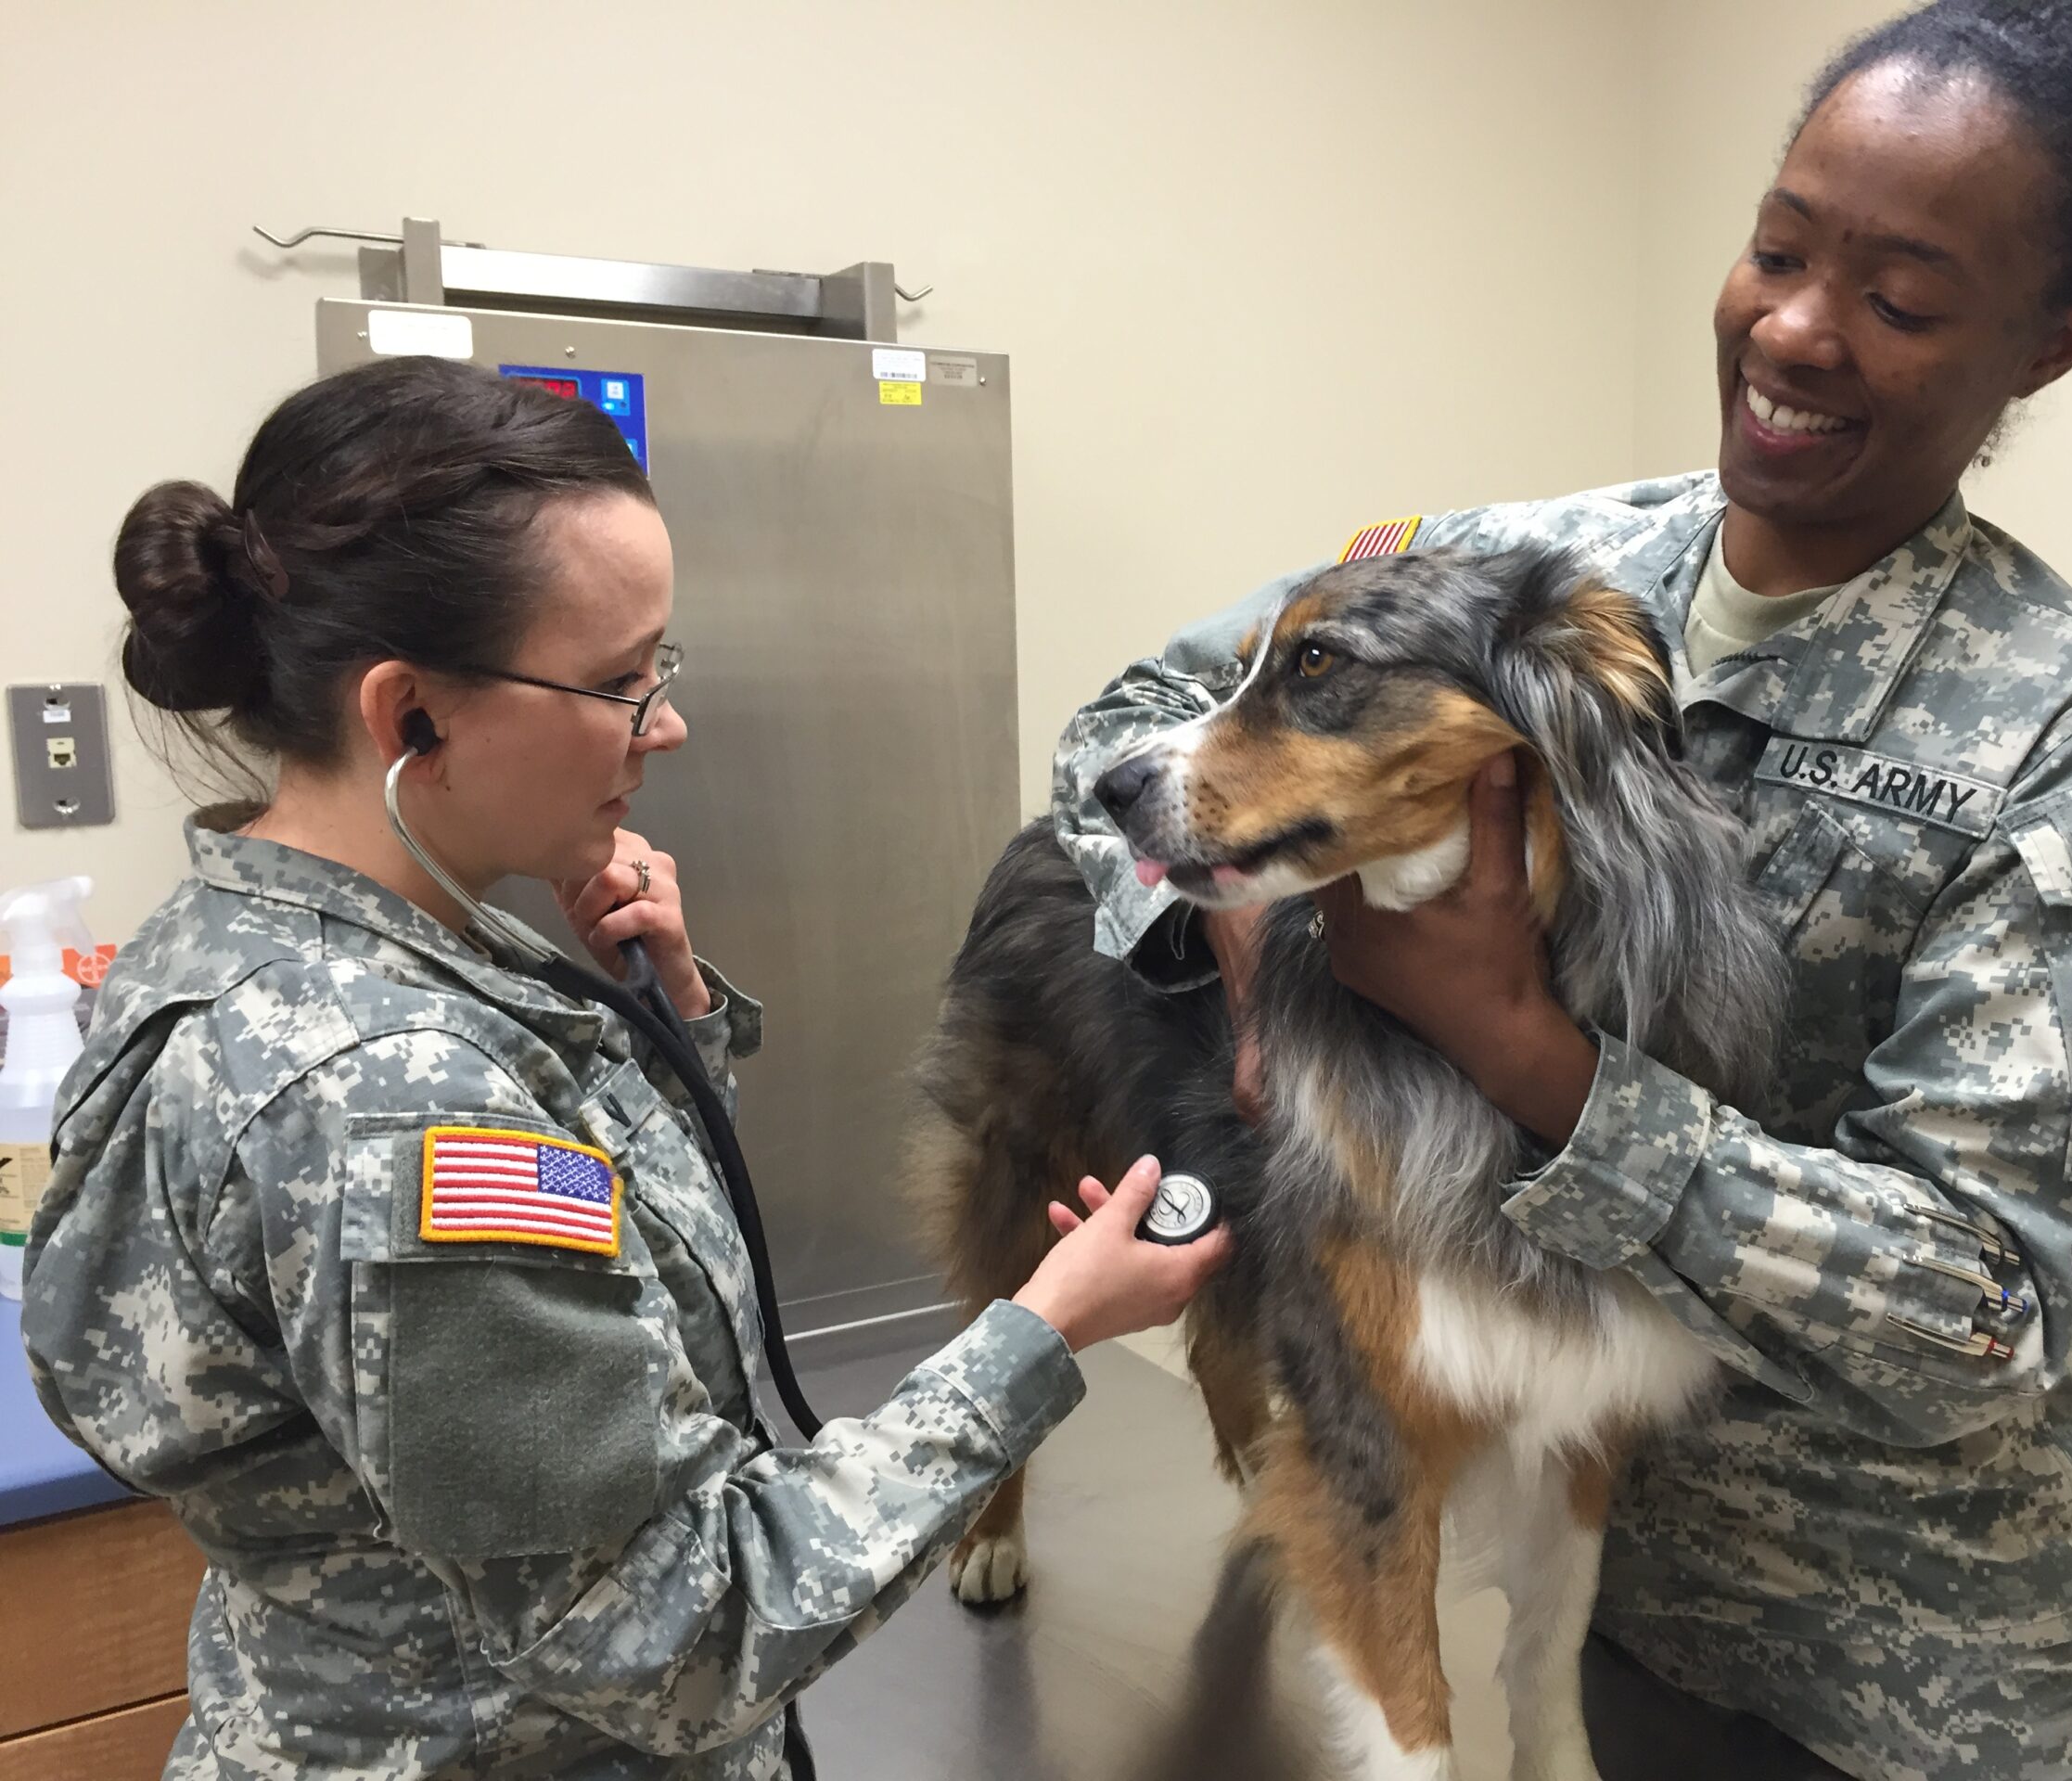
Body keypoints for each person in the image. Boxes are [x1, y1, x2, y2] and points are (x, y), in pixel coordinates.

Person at [1050, 2, 2072, 1776]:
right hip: (1595, 1632)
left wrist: (1532, 1056)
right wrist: (1229, 925)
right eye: (1776, 249)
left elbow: (1978, 1319)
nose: (1796, 331)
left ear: (2054, 344)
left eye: (1900, 301)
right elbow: (1135, 733)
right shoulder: (1535, 570)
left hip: (1919, 1686)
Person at [21, 353, 1227, 1779]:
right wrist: (1043, 1332)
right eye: (615, 683)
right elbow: (680, 1634)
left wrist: (669, 1010)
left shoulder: (251, 936)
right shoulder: (393, 1097)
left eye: (660, 669)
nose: (666, 726)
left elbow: (565, 1292)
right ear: (410, 714)